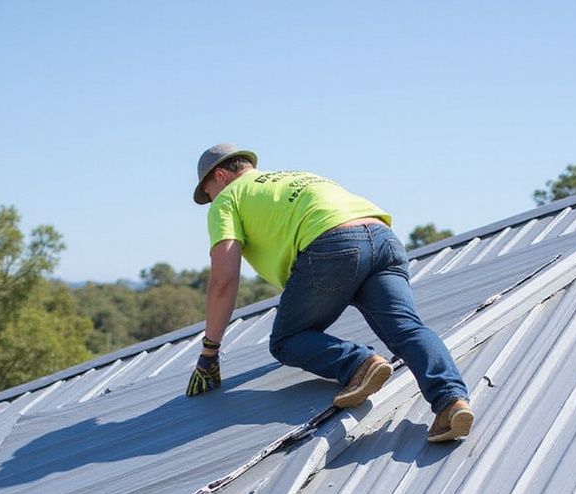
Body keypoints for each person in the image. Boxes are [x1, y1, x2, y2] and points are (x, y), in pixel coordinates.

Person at [186, 143, 474, 442]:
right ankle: (452, 403)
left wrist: (210, 351)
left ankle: (360, 364)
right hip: (382, 237)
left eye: (208, 195)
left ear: (220, 176)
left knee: (286, 341)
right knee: (407, 329)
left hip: (333, 245)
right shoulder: (294, 177)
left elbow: (224, 279)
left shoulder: (228, 198)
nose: (211, 201)